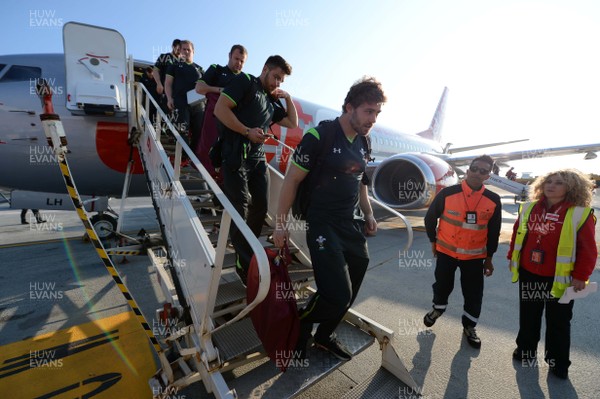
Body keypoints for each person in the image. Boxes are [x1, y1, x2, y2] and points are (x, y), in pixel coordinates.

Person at [272, 77, 385, 361]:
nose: (373, 119)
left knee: (350, 290)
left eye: (377, 113)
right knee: (335, 292)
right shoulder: (319, 137)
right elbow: (291, 181)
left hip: (352, 223)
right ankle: (300, 324)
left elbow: (361, 182)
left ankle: (324, 336)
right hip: (323, 224)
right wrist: (280, 224)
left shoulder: (364, 141)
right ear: (350, 108)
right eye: (368, 111)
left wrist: (369, 213)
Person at [214, 55, 298, 284]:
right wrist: (246, 131)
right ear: (265, 69)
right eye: (276, 77)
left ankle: (248, 245)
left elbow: (292, 123)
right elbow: (220, 110)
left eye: (281, 81)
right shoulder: (244, 82)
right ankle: (244, 261)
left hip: (257, 157)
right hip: (235, 154)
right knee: (240, 207)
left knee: (260, 204)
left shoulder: (271, 100)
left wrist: (287, 98)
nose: (277, 83)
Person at [507, 169, 596, 379]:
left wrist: (581, 275)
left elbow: (588, 249)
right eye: (548, 181)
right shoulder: (529, 208)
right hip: (530, 272)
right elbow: (517, 235)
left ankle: (558, 362)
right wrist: (513, 257)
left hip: (560, 278)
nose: (551, 185)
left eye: (558, 183)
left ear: (571, 188)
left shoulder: (579, 213)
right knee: (529, 316)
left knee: (558, 322)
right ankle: (525, 351)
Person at [423, 155, 502, 348]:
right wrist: (434, 242)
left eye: (483, 171)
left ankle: (469, 326)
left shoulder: (493, 200)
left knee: (474, 293)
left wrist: (489, 258)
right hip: (446, 252)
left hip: (474, 258)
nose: (477, 173)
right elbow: (430, 219)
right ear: (467, 170)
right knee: (442, 285)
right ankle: (437, 310)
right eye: (474, 169)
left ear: (488, 176)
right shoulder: (448, 193)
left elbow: (494, 231)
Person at [194, 44, 248, 180]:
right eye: (236, 59)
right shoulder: (216, 69)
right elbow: (199, 88)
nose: (239, 63)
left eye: (242, 61)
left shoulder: (245, 79)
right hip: (214, 118)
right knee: (210, 150)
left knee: (230, 154)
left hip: (234, 122)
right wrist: (220, 90)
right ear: (229, 56)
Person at [165, 40, 205, 153]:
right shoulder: (174, 65)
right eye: (184, 49)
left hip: (199, 104)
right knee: (182, 130)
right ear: (180, 51)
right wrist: (169, 98)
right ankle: (183, 156)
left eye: (189, 50)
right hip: (181, 102)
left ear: (193, 52)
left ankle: (192, 156)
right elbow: (168, 83)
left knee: (199, 131)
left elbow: (208, 86)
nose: (186, 52)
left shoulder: (200, 69)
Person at [152, 39, 181, 115]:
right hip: (164, 92)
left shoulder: (182, 62)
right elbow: (155, 70)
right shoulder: (164, 57)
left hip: (177, 94)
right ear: (173, 47)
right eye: (178, 49)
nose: (179, 52)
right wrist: (158, 83)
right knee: (164, 113)